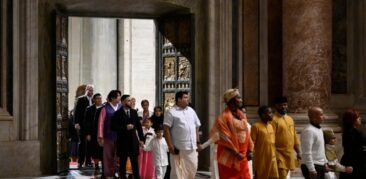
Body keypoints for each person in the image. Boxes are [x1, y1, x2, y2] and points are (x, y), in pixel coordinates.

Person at [210, 88, 253, 179]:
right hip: (229, 157)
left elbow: (247, 132)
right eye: (239, 98)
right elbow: (224, 139)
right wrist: (236, 154)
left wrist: (250, 149)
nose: (241, 100)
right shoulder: (223, 118)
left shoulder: (241, 114)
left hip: (243, 156)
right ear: (231, 100)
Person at [163, 91, 202, 179]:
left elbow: (197, 126)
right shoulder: (171, 112)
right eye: (185, 97)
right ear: (179, 99)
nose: (187, 99)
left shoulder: (191, 111)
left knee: (193, 169)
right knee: (177, 173)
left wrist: (198, 142)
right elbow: (166, 129)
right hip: (178, 148)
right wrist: (170, 145)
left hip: (192, 147)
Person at [111, 94, 145, 179]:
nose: (130, 102)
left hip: (133, 141)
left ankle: (137, 177)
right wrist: (125, 127)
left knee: (135, 163)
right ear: (122, 102)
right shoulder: (117, 114)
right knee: (123, 163)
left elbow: (139, 126)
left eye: (130, 100)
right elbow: (113, 127)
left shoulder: (134, 112)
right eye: (128, 100)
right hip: (122, 142)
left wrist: (141, 139)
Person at [271, 96, 301, 179]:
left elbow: (294, 136)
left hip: (289, 154)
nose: (283, 107)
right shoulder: (273, 120)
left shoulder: (290, 119)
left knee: (285, 175)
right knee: (282, 176)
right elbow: (270, 139)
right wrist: (275, 153)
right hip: (279, 154)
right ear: (276, 106)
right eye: (281, 105)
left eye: (285, 105)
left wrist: (298, 152)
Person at [97, 90, 122, 178]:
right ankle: (108, 174)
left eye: (119, 96)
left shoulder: (121, 107)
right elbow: (101, 123)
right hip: (108, 136)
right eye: (118, 96)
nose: (119, 98)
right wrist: (100, 137)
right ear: (112, 98)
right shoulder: (105, 108)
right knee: (108, 156)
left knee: (118, 156)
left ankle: (116, 172)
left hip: (119, 136)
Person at [251, 106, 279, 179]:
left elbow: (273, 143)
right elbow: (251, 142)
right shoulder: (256, 126)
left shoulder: (270, 126)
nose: (272, 114)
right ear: (263, 115)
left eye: (271, 112)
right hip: (261, 158)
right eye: (269, 113)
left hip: (272, 157)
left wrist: (276, 155)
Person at [300, 107, 328, 179]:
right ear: (314, 117)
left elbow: (321, 149)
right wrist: (311, 169)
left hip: (319, 165)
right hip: (312, 166)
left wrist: (325, 163)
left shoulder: (319, 129)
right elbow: (306, 152)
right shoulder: (308, 131)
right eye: (321, 115)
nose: (324, 117)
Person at [339, 108, 366, 179]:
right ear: (352, 120)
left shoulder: (350, 132)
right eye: (357, 117)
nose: (360, 118)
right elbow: (351, 150)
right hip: (354, 164)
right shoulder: (352, 133)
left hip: (354, 163)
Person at [74, 84, 94, 168]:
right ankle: (80, 162)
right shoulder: (81, 99)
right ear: (86, 90)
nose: (91, 92)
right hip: (82, 125)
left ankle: (88, 161)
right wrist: (76, 123)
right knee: (82, 144)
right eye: (89, 90)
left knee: (90, 144)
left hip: (91, 126)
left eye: (92, 90)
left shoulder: (94, 100)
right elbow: (76, 112)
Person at [84, 93, 104, 171]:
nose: (99, 100)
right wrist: (87, 133)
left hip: (102, 132)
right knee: (94, 149)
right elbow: (86, 122)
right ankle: (96, 164)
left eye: (100, 98)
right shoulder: (89, 109)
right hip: (93, 132)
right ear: (94, 100)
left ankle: (103, 164)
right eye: (98, 98)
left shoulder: (104, 108)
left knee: (102, 149)